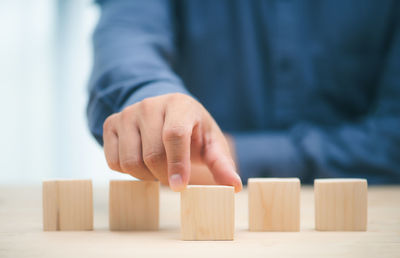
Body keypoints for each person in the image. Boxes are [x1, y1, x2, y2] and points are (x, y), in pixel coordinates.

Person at [87, 0, 400, 192]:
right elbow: (127, 35)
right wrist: (149, 95)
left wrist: (236, 155)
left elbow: (393, 138)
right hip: (185, 219)